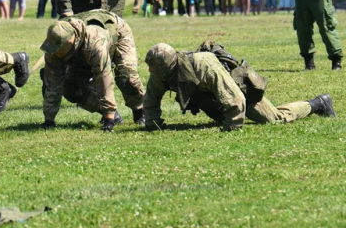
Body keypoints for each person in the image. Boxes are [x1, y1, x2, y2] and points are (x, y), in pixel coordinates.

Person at [142, 42, 336, 131]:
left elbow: (233, 96)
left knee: (275, 119)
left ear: (167, 64)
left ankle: (318, 103)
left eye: (153, 66)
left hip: (238, 89)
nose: (149, 70)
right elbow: (152, 97)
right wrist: (152, 123)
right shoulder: (161, 72)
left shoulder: (203, 64)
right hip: (213, 96)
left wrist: (233, 125)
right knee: (221, 114)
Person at [40, 10, 144, 131]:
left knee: (125, 76)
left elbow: (104, 78)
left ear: (69, 42)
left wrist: (108, 118)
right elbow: (53, 83)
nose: (56, 52)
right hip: (80, 49)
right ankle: (110, 114)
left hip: (118, 32)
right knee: (71, 89)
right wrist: (49, 120)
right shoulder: (54, 47)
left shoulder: (95, 43)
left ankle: (140, 111)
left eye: (59, 50)